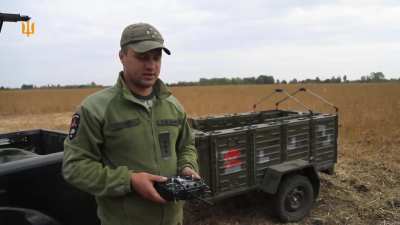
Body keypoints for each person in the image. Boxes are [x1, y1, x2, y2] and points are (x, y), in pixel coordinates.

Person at [62, 22, 199, 225]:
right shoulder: (96, 108)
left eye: (156, 57)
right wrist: (129, 181)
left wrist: (187, 166)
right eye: (142, 57)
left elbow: (186, 145)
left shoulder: (173, 105)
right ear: (122, 56)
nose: (151, 66)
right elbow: (75, 167)